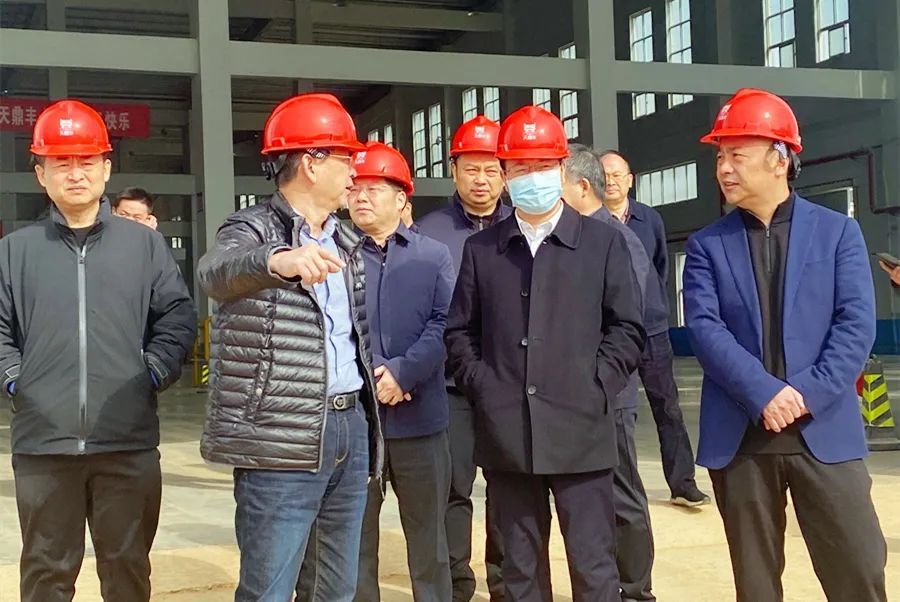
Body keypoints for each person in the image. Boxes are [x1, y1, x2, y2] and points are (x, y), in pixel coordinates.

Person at [684, 87, 887, 601]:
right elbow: (705, 329)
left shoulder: (837, 233)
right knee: (756, 585)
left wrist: (803, 394)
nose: (724, 168)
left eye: (737, 155)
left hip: (824, 429)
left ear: (780, 159)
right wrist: (764, 394)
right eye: (720, 157)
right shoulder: (708, 244)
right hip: (744, 435)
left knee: (858, 570)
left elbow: (855, 325)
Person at [444, 105, 645, 602]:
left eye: (541, 166)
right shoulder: (483, 250)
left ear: (561, 169)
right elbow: (459, 332)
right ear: (505, 175)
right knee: (520, 570)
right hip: (508, 435)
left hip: (582, 431)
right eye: (519, 167)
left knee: (594, 565)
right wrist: (486, 388)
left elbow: (627, 328)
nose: (531, 177)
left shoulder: (603, 243)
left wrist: (597, 384)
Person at [0, 99, 196, 602]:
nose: (75, 173)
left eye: (86, 161)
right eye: (61, 163)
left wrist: (151, 373)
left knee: (127, 573)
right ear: (40, 174)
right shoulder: (15, 251)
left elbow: (176, 318)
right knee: (45, 576)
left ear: (106, 168)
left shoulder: (143, 246)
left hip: (127, 444)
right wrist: (19, 381)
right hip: (44, 448)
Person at [197, 93, 383, 602]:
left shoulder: (346, 242)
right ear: (311, 162)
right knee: (269, 590)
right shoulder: (252, 227)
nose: (355, 172)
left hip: (349, 428)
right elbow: (216, 271)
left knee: (335, 588)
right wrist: (278, 260)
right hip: (281, 436)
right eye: (346, 158)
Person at [347, 141, 455, 601]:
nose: (361, 197)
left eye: (373, 189)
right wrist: (374, 379)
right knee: (354, 542)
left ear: (400, 198)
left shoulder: (433, 256)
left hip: (421, 419)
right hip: (357, 423)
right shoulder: (337, 257)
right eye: (354, 188)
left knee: (428, 540)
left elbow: (446, 323)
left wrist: (403, 374)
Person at [416, 114, 509, 601]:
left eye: (492, 170)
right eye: (471, 169)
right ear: (453, 170)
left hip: (511, 384)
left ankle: (506, 579)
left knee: (510, 484)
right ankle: (457, 580)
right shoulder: (430, 231)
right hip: (452, 386)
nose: (481, 180)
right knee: (454, 487)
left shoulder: (523, 227)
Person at [562, 143, 656, 602]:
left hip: (608, 393)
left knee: (621, 493)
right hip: (572, 394)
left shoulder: (616, 239)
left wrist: (601, 379)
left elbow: (630, 322)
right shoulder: (572, 235)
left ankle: (635, 589)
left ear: (582, 186)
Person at [597, 149, 710, 508]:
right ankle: (620, 488)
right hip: (611, 333)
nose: (611, 182)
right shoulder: (590, 221)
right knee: (617, 413)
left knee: (668, 407)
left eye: (618, 175)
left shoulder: (649, 219)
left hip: (652, 330)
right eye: (605, 175)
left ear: (630, 180)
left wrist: (652, 306)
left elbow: (659, 267)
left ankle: (683, 483)